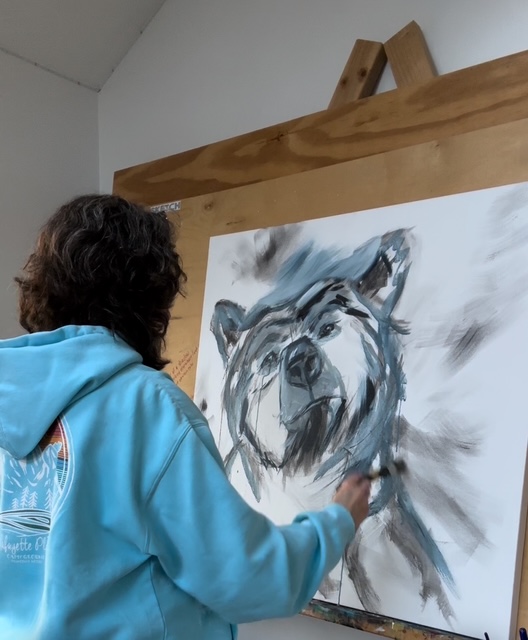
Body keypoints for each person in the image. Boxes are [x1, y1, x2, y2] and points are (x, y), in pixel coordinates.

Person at [0, 194, 371, 639]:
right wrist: (337, 522)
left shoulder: (10, 403)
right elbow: (249, 579)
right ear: (150, 298)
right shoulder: (146, 409)